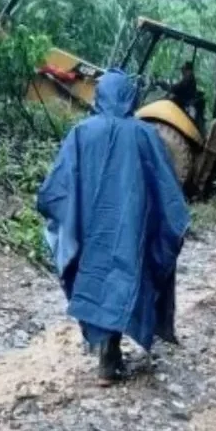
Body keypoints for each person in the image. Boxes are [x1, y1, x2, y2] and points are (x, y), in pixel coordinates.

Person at [37, 69, 191, 385]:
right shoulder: (146, 135)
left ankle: (107, 351)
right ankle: (109, 354)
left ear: (100, 94)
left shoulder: (82, 132)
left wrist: (65, 214)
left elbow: (57, 187)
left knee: (94, 277)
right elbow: (166, 188)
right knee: (125, 278)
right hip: (130, 228)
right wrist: (165, 223)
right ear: (131, 97)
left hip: (89, 228)